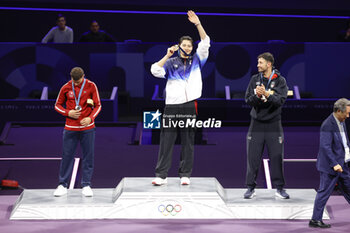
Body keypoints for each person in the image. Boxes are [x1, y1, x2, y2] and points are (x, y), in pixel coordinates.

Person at [150, 10, 210, 186]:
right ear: (178, 46)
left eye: (190, 45)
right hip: (172, 107)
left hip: (189, 106)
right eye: (185, 45)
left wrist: (198, 24)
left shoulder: (198, 61)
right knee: (166, 140)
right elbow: (154, 70)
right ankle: (161, 175)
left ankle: (185, 174)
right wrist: (167, 55)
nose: (188, 47)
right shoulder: (170, 63)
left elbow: (205, 42)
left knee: (188, 140)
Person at [244, 52, 290, 199]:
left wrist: (268, 94)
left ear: (269, 64)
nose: (258, 65)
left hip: (273, 125)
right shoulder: (254, 79)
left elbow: (280, 101)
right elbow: (248, 100)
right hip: (256, 124)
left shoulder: (280, 80)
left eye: (260, 63)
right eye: (258, 62)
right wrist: (257, 95)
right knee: (253, 157)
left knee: (277, 157)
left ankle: (280, 188)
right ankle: (250, 188)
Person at [54, 67, 101, 197]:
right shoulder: (66, 87)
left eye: (78, 82)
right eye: (74, 81)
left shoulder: (91, 86)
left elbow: (98, 105)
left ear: (83, 76)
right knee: (67, 156)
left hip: (88, 128)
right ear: (71, 77)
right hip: (70, 128)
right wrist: (67, 112)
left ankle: (86, 184)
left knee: (88, 157)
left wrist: (90, 118)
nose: (76, 84)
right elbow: (57, 105)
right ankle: (62, 184)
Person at [309, 98, 350, 228]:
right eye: (346, 113)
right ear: (339, 111)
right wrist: (334, 164)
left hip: (343, 164)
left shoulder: (341, 121)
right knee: (324, 192)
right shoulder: (327, 124)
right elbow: (325, 147)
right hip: (331, 167)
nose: (348, 116)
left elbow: (344, 142)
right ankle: (315, 220)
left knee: (349, 190)